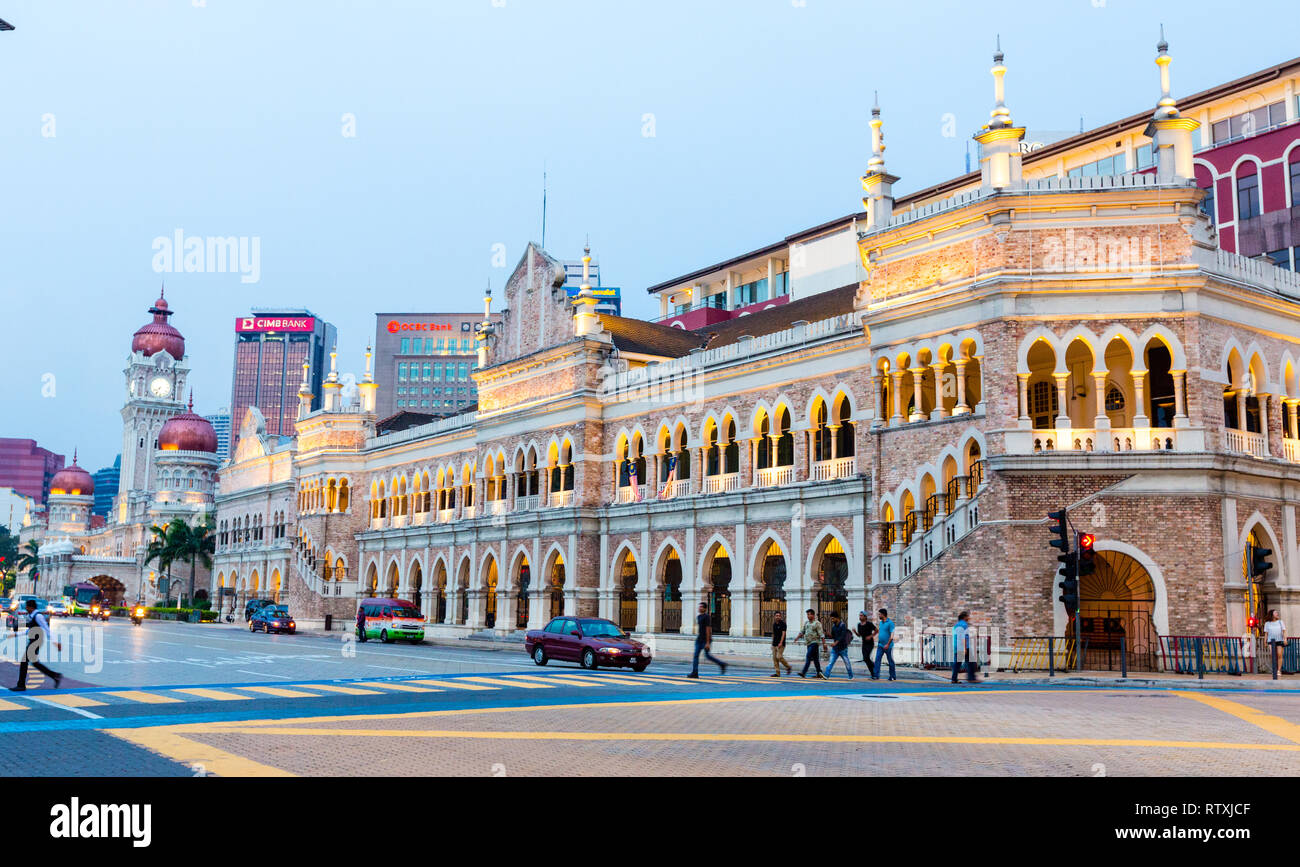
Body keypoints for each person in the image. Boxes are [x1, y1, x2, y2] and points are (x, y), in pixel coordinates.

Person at [10, 600, 62, 691]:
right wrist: (16, 634)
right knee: (35, 663)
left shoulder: (38, 616)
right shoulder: (32, 616)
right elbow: (30, 629)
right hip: (34, 640)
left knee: (24, 661)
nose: (26, 609)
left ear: (31, 607)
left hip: (36, 641)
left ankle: (21, 685)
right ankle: (55, 676)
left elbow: (47, 629)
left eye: (27, 607)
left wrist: (55, 642)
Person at [688, 602, 726, 678]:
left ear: (705, 609)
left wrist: (708, 642)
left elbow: (708, 629)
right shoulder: (699, 617)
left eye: (701, 607)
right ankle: (695, 672)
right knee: (696, 656)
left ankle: (722, 664)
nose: (699, 608)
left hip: (705, 640)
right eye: (699, 607)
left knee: (707, 656)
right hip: (699, 639)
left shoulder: (707, 617)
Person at [797, 608, 827, 679]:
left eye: (809, 614)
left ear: (813, 615)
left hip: (814, 643)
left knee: (808, 656)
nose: (808, 616)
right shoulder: (806, 623)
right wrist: (797, 637)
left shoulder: (817, 623)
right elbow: (802, 631)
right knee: (816, 659)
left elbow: (821, 634)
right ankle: (819, 672)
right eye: (807, 614)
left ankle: (803, 672)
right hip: (808, 643)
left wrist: (824, 644)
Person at [951, 610, 978, 683]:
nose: (969, 618)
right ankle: (971, 678)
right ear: (964, 617)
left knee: (957, 663)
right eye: (967, 616)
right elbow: (964, 637)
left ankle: (954, 679)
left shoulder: (956, 625)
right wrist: (965, 648)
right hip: (964, 646)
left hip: (957, 646)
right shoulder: (964, 625)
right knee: (971, 663)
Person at [825, 613, 854, 679]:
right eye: (831, 619)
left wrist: (835, 643)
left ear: (837, 618)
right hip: (835, 649)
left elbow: (842, 636)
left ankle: (851, 676)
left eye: (833, 618)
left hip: (843, 648)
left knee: (847, 663)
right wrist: (828, 634)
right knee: (830, 663)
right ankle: (826, 675)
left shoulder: (842, 625)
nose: (832, 620)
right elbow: (833, 636)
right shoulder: (833, 626)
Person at [872, 607, 896, 681]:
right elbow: (881, 632)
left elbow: (892, 636)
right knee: (877, 660)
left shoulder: (890, 623)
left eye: (879, 614)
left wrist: (887, 644)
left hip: (888, 646)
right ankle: (876, 675)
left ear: (883, 615)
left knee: (890, 661)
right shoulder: (881, 623)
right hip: (880, 645)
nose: (878, 616)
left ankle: (892, 676)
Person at [1264, 609, 1287, 680]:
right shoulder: (1267, 623)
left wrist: (1285, 639)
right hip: (1271, 641)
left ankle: (1279, 670)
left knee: (1279, 654)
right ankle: (1274, 669)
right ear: (1272, 614)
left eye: (1277, 612)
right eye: (1276, 613)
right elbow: (1266, 633)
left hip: (1279, 640)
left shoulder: (1280, 622)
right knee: (1272, 654)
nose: (1277, 613)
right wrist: (1265, 641)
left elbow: (1284, 631)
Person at [770, 609, 793, 677]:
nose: (778, 617)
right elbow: (773, 634)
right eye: (776, 616)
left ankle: (788, 667)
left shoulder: (783, 624)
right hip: (774, 643)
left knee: (779, 656)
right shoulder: (774, 624)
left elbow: (783, 634)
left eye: (779, 616)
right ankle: (777, 673)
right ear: (774, 616)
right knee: (774, 659)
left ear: (781, 617)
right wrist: (772, 644)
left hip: (781, 644)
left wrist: (781, 642)